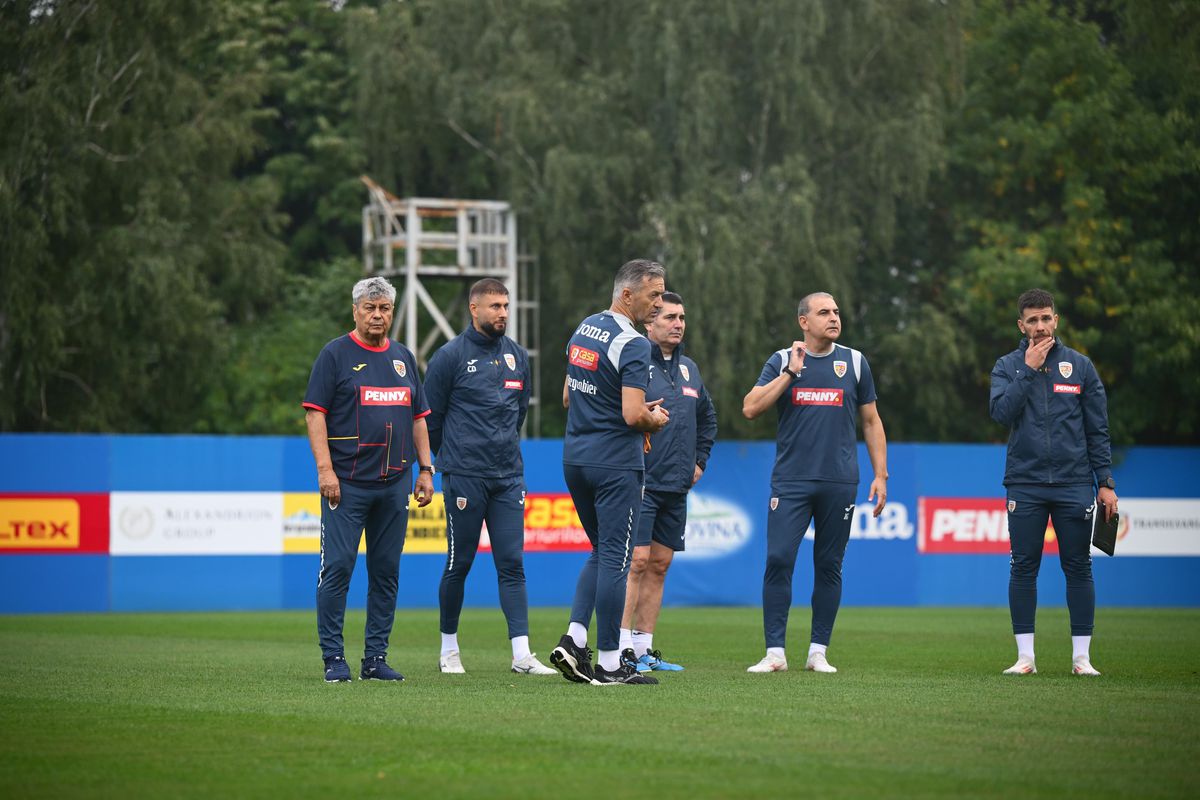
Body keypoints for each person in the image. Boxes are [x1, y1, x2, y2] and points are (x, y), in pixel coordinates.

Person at [742, 292, 888, 675]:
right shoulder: (781, 360)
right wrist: (790, 372)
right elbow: (750, 408)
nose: (834, 317)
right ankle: (775, 653)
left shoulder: (855, 362)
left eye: (837, 311)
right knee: (778, 559)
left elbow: (871, 421)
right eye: (824, 312)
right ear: (804, 322)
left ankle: (817, 651)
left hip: (840, 481)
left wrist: (881, 474)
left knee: (829, 565)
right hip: (791, 480)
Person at [302, 276, 435, 683]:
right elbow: (314, 414)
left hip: (395, 483)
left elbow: (418, 418)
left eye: (384, 309)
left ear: (392, 313)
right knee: (338, 568)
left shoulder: (403, 357)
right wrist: (326, 470)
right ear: (356, 310)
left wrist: (426, 469)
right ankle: (333, 658)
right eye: (370, 308)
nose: (377, 316)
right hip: (348, 483)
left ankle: (375, 658)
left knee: (385, 572)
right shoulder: (335, 355)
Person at [423, 278, 556, 676]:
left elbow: (519, 414)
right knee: (458, 563)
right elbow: (432, 420)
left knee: (512, 564)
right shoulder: (449, 356)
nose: (502, 313)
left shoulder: (517, 355)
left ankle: (522, 656)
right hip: (464, 475)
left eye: (505, 305)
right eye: (494, 306)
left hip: (508, 476)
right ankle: (449, 651)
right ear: (474, 309)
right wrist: (450, 457)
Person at [549, 258, 670, 686]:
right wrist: (654, 420)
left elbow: (567, 397)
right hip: (614, 464)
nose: (658, 303)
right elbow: (632, 412)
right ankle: (610, 663)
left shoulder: (585, 327)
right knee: (618, 560)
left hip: (576, 458)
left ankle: (574, 639)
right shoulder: (633, 342)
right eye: (654, 294)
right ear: (627, 295)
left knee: (602, 552)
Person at [989, 288, 1116, 677]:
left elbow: (1098, 430)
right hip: (1024, 483)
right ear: (1021, 325)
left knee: (1078, 566)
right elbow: (1000, 413)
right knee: (1023, 567)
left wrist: (1105, 481)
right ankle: (1025, 658)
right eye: (1032, 320)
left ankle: (1082, 659)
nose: (1040, 326)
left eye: (1046, 318)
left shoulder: (1080, 367)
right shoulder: (1007, 366)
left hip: (1074, 483)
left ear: (1056, 320)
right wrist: (1027, 368)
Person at [618, 291, 716, 673]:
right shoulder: (636, 361)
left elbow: (708, 418)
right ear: (649, 323)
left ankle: (643, 650)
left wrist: (700, 462)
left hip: (676, 486)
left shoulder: (689, 369)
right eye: (669, 317)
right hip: (640, 481)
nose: (678, 324)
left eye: (682, 317)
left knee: (659, 565)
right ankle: (621, 648)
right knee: (636, 562)